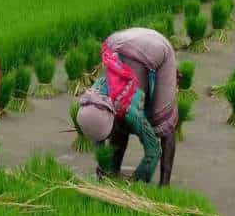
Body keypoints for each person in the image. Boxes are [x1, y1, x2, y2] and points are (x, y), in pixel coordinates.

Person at [76, 27, 178, 185]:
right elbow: (100, 140)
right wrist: (104, 168)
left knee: (163, 120)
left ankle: (165, 185)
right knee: (120, 125)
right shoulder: (90, 104)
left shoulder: (131, 112)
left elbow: (153, 151)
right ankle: (113, 172)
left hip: (157, 49)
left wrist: (136, 180)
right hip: (116, 43)